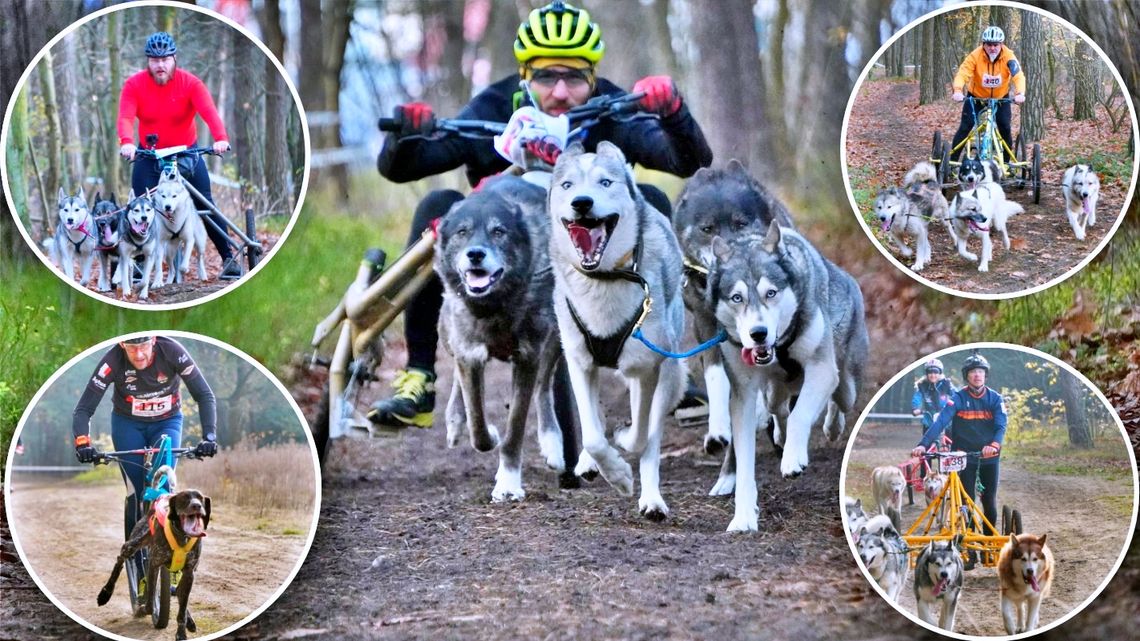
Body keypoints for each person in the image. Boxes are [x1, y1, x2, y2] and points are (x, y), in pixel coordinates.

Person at [369, 1, 713, 429]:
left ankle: (666, 365)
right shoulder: (495, 106)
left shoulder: (611, 107)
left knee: (652, 202)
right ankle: (418, 377)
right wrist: (405, 135)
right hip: (509, 246)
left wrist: (675, 114)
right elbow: (406, 167)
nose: (561, 93)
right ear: (525, 76)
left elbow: (687, 161)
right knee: (435, 209)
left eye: (574, 77)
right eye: (547, 76)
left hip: (593, 243)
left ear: (592, 76)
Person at [116, 31, 240, 279]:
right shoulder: (134, 85)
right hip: (149, 157)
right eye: (154, 60)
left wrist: (221, 139)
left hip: (187, 154)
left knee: (205, 203)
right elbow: (126, 117)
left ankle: (228, 257)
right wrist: (128, 143)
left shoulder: (191, 83)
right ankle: (140, 261)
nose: (160, 65)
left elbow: (209, 113)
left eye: (165, 59)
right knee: (141, 204)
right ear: (148, 61)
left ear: (174, 59)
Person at [73, 336, 219, 536]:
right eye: (131, 348)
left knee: (165, 485)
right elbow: (84, 408)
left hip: (167, 422)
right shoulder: (113, 360)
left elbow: (204, 395)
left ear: (153, 340)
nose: (139, 354)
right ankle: (134, 552)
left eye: (143, 346)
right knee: (136, 492)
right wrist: (82, 443)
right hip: (128, 424)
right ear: (122, 345)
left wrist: (209, 437)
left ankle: (170, 542)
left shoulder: (172, 352)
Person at [911, 353, 1006, 568]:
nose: (977, 375)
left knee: (989, 499)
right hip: (963, 457)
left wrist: (994, 445)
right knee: (966, 501)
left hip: (989, 457)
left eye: (981, 372)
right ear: (967, 376)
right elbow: (941, 421)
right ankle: (970, 548)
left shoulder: (995, 399)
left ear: (986, 375)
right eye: (973, 372)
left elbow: (1000, 426)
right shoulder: (958, 399)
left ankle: (989, 544)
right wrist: (923, 444)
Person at [948, 25, 1026, 162]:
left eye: (996, 44)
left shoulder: (1009, 56)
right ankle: (952, 161)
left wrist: (1020, 93)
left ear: (1001, 44)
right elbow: (963, 73)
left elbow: (1018, 75)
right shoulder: (975, 56)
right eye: (989, 44)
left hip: (1000, 98)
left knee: (1005, 127)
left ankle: (1006, 163)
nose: (992, 48)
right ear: (983, 44)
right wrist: (958, 90)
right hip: (976, 97)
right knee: (966, 126)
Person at [911, 357, 954, 436]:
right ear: (926, 374)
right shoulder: (922, 385)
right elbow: (917, 397)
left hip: (946, 419)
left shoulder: (946, 383)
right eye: (930, 372)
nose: (933, 375)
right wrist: (916, 408)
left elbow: (956, 394)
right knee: (926, 444)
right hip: (929, 419)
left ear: (940, 373)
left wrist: (957, 406)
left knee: (951, 442)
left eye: (935, 372)